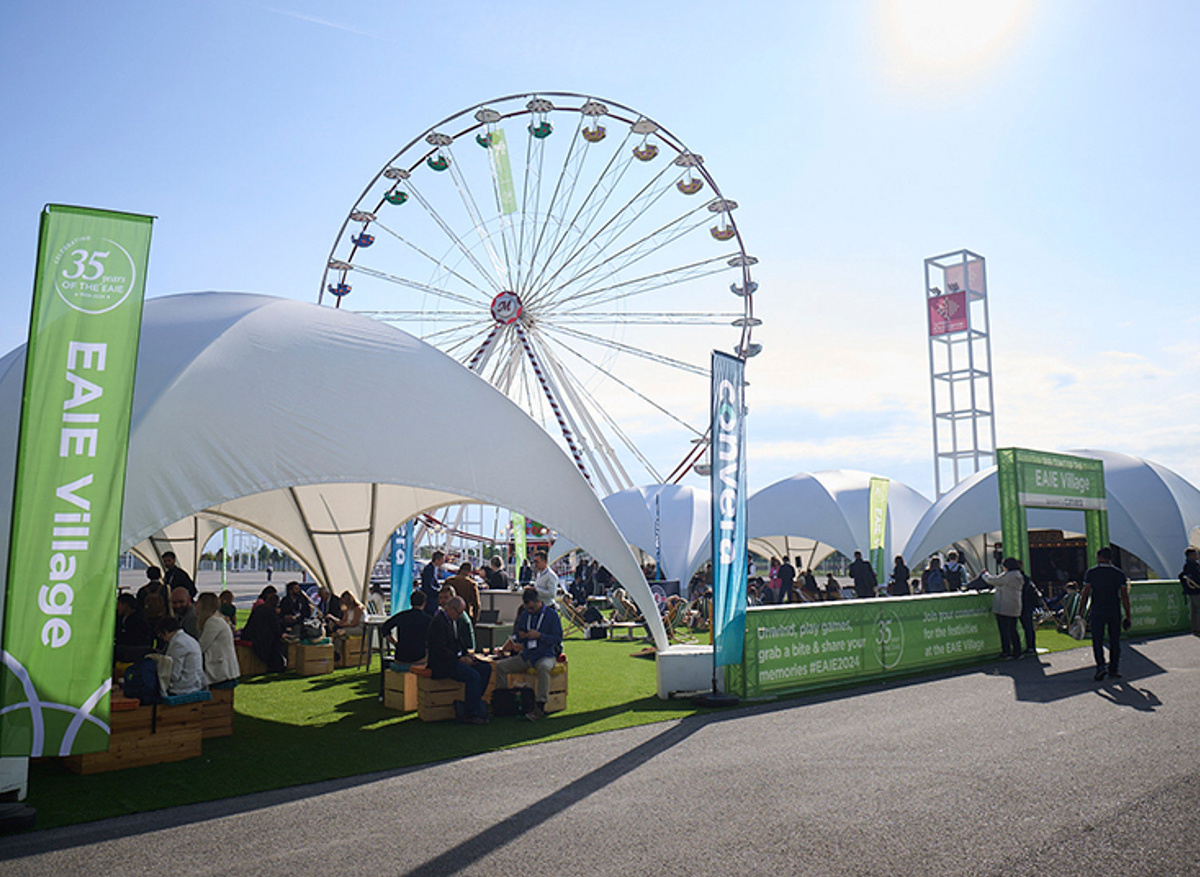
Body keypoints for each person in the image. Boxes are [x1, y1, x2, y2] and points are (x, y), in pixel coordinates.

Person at [492, 586, 563, 722]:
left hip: (546, 654)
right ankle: (504, 702)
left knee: (543, 667)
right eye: (527, 608)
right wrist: (522, 636)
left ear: (538, 601)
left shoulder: (551, 615)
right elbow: (518, 635)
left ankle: (540, 706)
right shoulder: (525, 614)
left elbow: (557, 638)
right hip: (528, 655)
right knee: (501, 667)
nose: (529, 610)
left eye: (531, 607)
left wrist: (540, 636)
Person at [427, 595, 491, 724]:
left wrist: (467, 656)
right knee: (473, 676)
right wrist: (459, 659)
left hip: (455, 659)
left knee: (485, 668)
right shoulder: (438, 623)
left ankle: (474, 703)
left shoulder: (453, 622)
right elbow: (439, 649)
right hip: (444, 663)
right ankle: (471, 713)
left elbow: (458, 643)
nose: (460, 615)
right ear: (450, 609)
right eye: (459, 612)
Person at [1081, 547, 1132, 681]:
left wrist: (1080, 611)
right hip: (1113, 609)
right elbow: (1124, 596)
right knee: (1114, 641)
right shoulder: (1119, 574)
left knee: (1097, 640)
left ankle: (1100, 666)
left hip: (1097, 609)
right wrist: (1128, 614)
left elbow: (1085, 593)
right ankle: (1113, 669)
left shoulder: (1091, 573)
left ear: (1099, 557)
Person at [377, 590, 433, 700]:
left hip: (400, 656)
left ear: (411, 602)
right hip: (419, 658)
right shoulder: (428, 619)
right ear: (424, 603)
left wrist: (395, 643)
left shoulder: (402, 616)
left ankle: (382, 694)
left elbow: (385, 628)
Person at [983, 557, 1025, 660]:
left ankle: (1006, 652)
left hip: (1004, 606)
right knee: (1013, 630)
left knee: (1004, 631)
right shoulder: (1018, 575)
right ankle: (1017, 651)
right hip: (1015, 606)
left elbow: (993, 580)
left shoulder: (1009, 576)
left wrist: (985, 575)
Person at [196, 592, 239, 685]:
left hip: (221, 671)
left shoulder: (213, 622)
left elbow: (201, 646)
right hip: (222, 668)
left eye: (197, 603)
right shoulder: (215, 619)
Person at [158, 616, 205, 695]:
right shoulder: (188, 639)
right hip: (195, 683)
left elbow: (174, 674)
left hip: (185, 687)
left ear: (165, 632)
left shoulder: (178, 644)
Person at [242, 592, 287, 672]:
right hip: (264, 639)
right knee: (277, 643)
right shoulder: (270, 611)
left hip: (252, 635)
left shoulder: (259, 608)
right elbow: (276, 628)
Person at [114, 593, 153, 663]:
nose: (117, 607)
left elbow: (137, 638)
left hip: (135, 650)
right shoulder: (120, 618)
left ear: (125, 605)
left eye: (119, 604)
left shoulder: (138, 620)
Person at [331, 591, 365, 661]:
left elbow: (354, 623)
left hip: (360, 628)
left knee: (342, 632)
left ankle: (337, 654)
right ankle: (337, 653)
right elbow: (344, 620)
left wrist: (343, 626)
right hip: (350, 626)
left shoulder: (358, 608)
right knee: (339, 636)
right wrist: (336, 622)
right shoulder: (347, 609)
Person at [1020, 573, 1042, 656]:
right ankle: (1031, 646)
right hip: (1029, 605)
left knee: (1027, 627)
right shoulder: (1027, 580)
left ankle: (1029, 646)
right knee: (1029, 627)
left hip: (1024, 605)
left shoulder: (1019, 578)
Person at [1179, 548, 1200, 636]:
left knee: (1194, 610)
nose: (1197, 556)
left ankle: (1195, 628)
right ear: (1191, 555)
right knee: (1198, 610)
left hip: (1192, 590)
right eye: (1195, 554)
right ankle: (1197, 628)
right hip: (1196, 590)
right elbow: (1196, 578)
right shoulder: (1192, 566)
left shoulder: (1189, 565)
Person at [420, 551, 446, 616]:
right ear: (437, 560)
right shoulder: (429, 569)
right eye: (442, 560)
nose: (443, 562)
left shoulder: (433, 568)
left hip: (431, 599)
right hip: (429, 600)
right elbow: (428, 586)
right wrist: (439, 592)